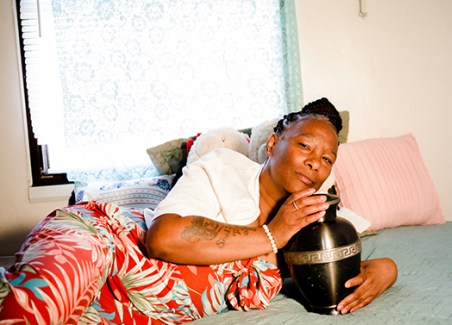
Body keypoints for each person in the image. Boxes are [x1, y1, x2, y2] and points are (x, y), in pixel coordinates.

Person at [146, 97, 398, 315]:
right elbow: (163, 238)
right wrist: (273, 235)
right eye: (304, 146)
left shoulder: (315, 216)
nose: (314, 163)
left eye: (327, 159)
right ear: (272, 144)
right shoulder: (222, 169)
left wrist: (387, 269)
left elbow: (337, 265)